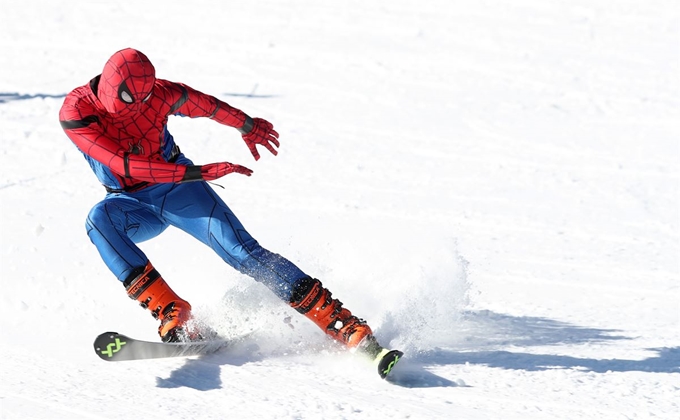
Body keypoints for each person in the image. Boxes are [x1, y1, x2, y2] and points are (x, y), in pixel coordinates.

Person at [58, 47, 389, 361]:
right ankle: (173, 312)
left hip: (178, 189)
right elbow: (122, 164)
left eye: (146, 96)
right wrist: (198, 172)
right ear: (111, 86)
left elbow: (205, 105)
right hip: (131, 200)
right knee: (99, 221)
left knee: (243, 253)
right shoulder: (77, 111)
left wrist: (247, 125)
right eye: (132, 97)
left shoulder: (159, 94)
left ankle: (341, 323)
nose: (139, 105)